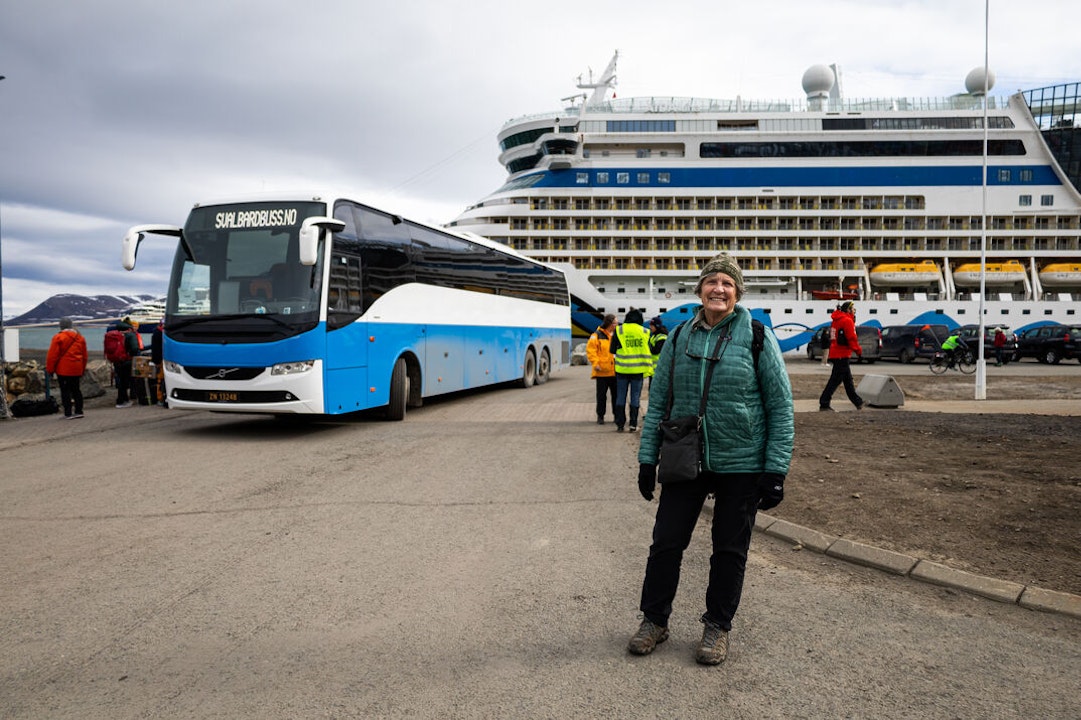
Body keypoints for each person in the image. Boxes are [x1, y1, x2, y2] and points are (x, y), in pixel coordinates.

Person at [630, 254, 794, 666]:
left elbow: (780, 406)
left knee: (729, 549)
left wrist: (775, 469)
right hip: (686, 457)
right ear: (699, 289)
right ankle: (654, 621)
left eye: (727, 283)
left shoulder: (757, 335)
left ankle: (717, 626)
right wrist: (648, 459)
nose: (718, 289)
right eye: (711, 282)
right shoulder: (680, 335)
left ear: (737, 292)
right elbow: (659, 403)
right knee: (666, 543)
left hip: (743, 462)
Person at [609, 308, 651, 432]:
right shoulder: (645, 331)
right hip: (638, 370)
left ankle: (620, 424)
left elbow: (612, 350)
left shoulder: (619, 330)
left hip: (622, 369)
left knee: (620, 397)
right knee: (635, 397)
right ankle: (633, 424)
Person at [818, 301, 864, 411]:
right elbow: (851, 338)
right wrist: (858, 351)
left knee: (847, 380)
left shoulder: (836, 320)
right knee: (835, 380)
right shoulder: (847, 321)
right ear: (848, 310)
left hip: (836, 353)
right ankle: (824, 403)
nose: (854, 311)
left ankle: (858, 402)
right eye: (853, 309)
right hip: (842, 354)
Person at [45, 317, 88, 419]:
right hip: (77, 368)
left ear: (61, 326)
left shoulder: (58, 337)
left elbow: (52, 356)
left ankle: (68, 413)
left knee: (65, 391)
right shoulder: (80, 338)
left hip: (63, 369)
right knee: (76, 390)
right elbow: (85, 356)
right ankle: (79, 411)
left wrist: (50, 369)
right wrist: (82, 368)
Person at [585, 314, 617, 424]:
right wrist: (595, 363)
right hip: (602, 371)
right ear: (609, 324)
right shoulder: (596, 335)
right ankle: (600, 416)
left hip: (615, 371)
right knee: (601, 396)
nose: (616, 325)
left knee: (616, 396)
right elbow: (591, 350)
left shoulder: (617, 335)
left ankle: (617, 416)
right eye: (615, 323)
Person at [647, 316, 668, 387]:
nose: (650, 327)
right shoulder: (654, 337)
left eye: (652, 326)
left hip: (659, 369)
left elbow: (655, 351)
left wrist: (647, 346)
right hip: (653, 370)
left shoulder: (662, 337)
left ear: (657, 326)